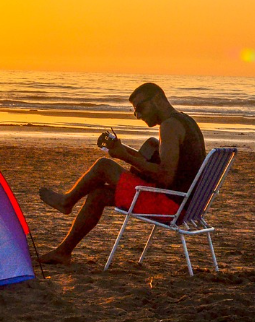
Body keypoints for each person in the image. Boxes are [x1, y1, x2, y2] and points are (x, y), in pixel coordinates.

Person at [38, 82, 206, 265]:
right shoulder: (185, 121)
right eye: (135, 111)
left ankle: (66, 202)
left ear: (157, 99)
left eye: (140, 108)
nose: (138, 115)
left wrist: (124, 157)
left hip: (171, 207)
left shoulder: (169, 126)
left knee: (104, 166)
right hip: (187, 205)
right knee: (99, 195)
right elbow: (162, 167)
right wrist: (122, 150)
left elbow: (165, 176)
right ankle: (63, 252)